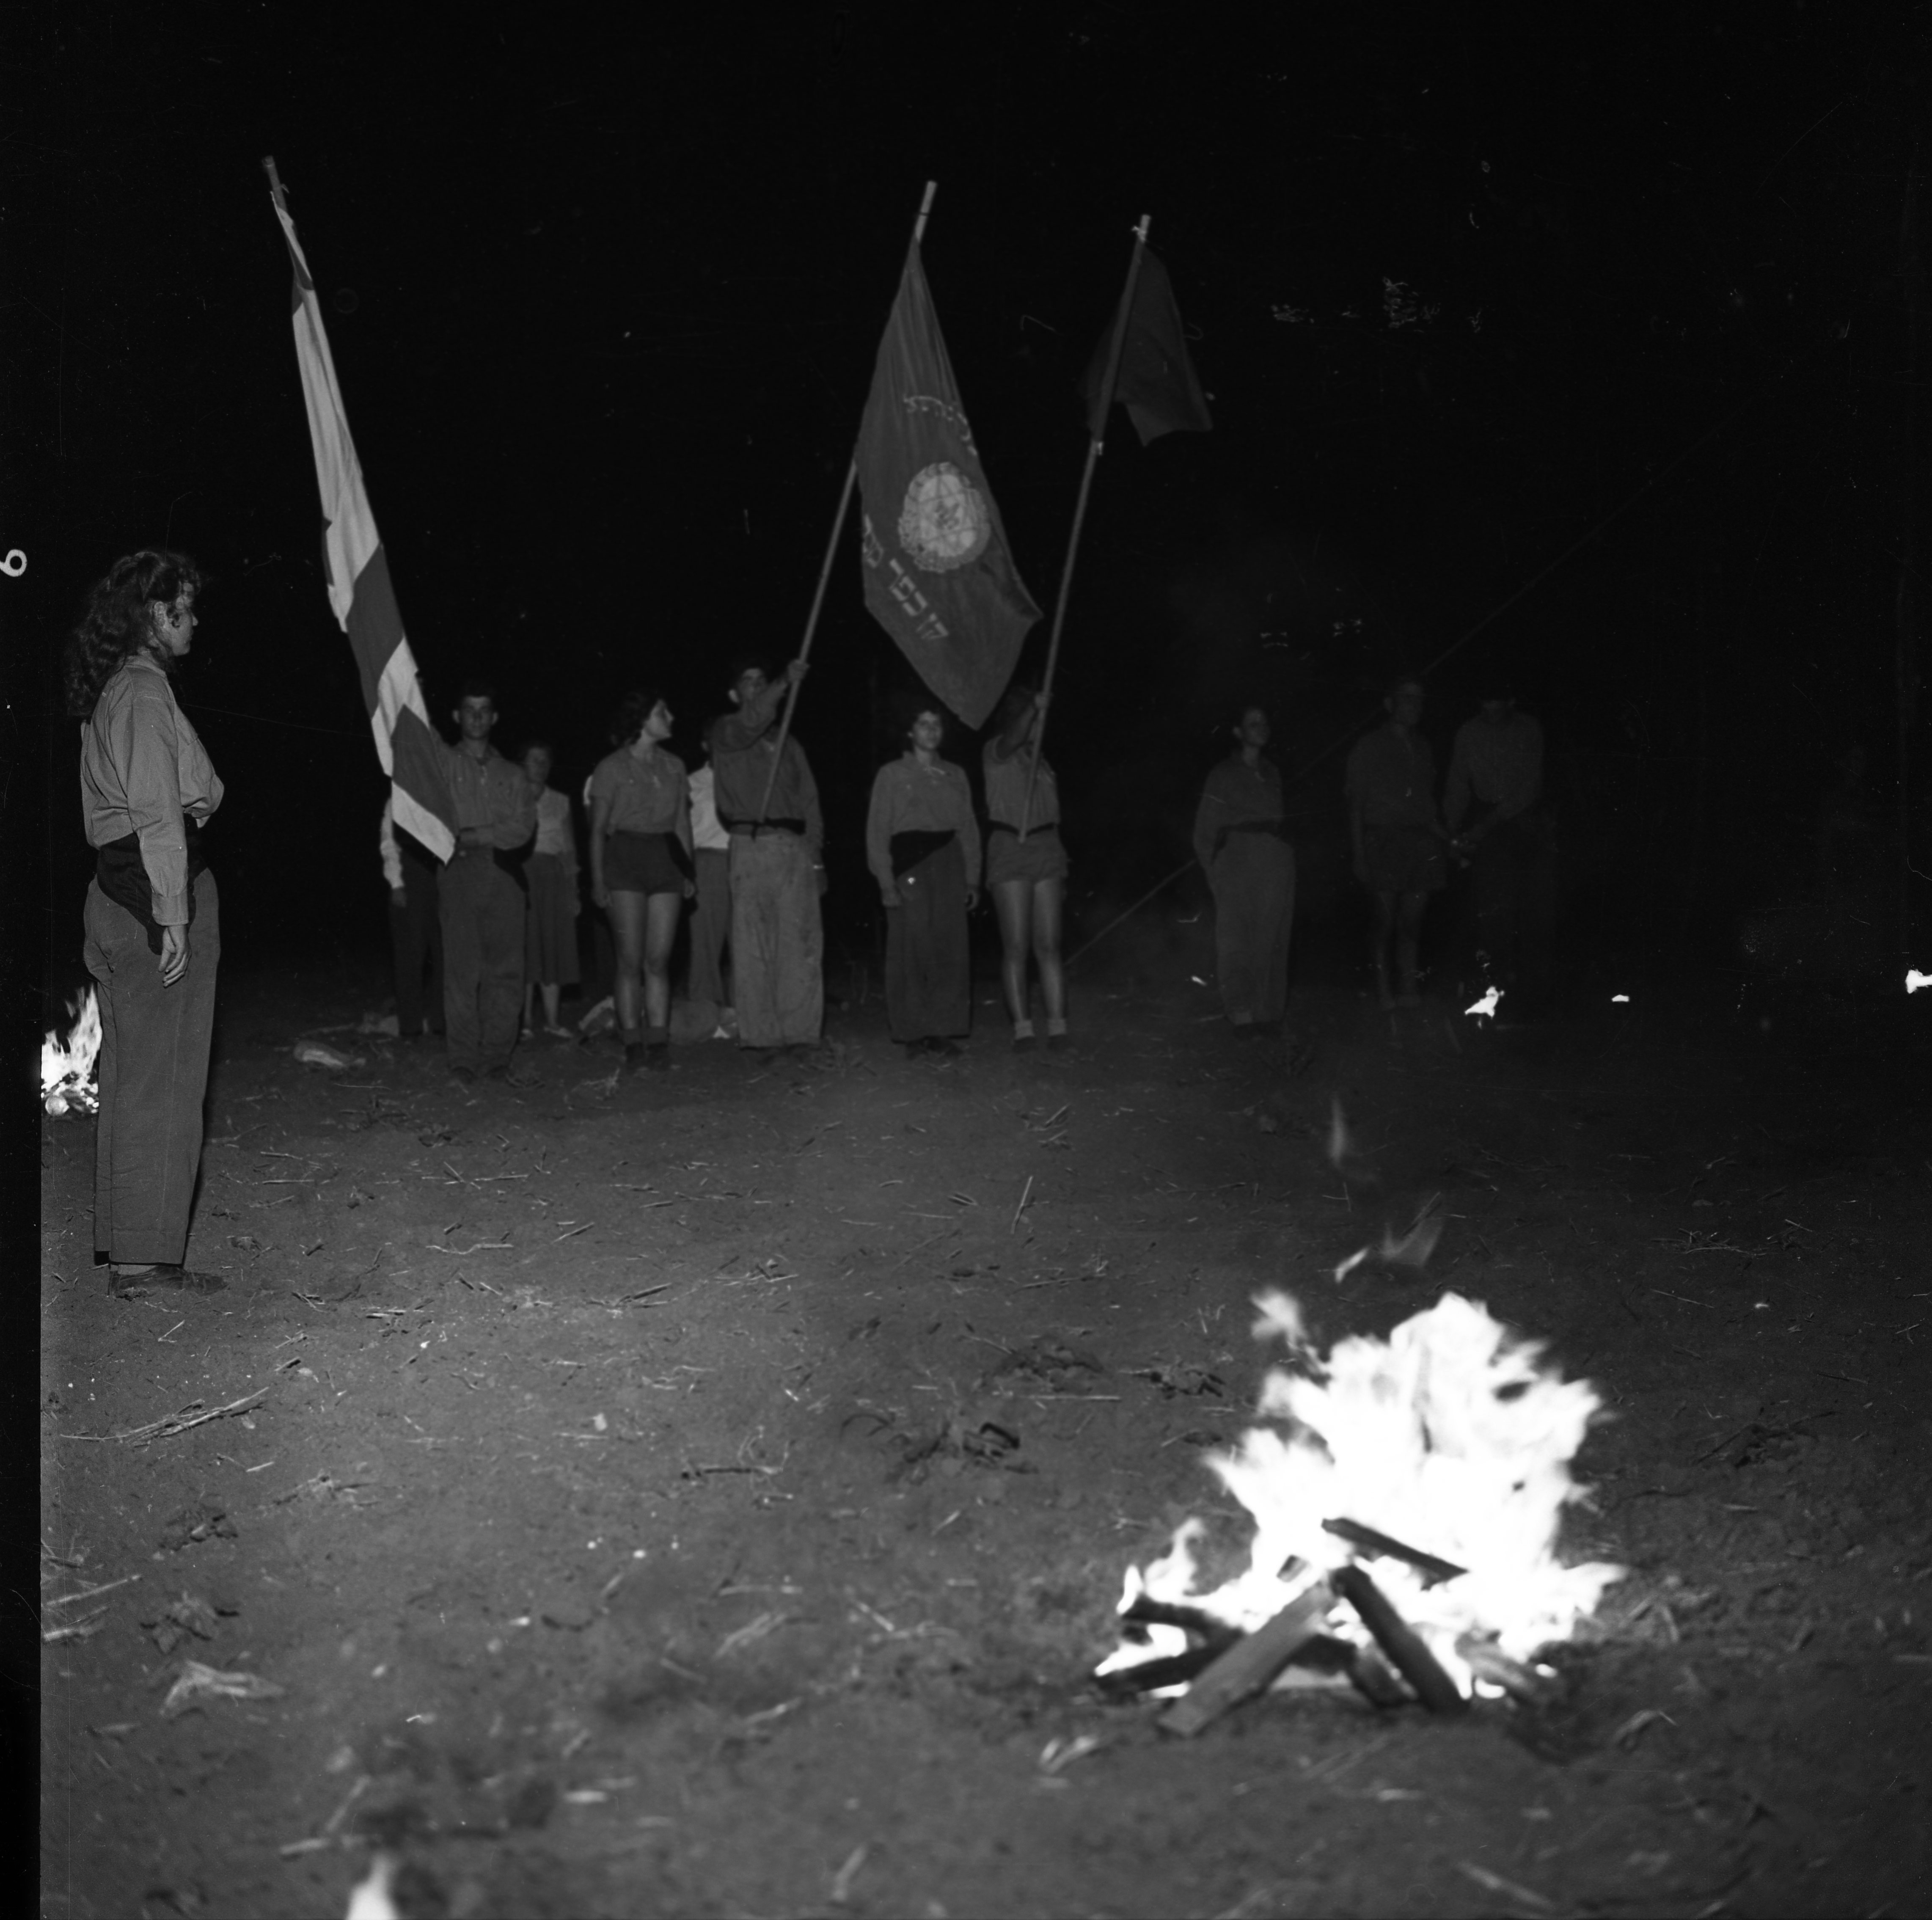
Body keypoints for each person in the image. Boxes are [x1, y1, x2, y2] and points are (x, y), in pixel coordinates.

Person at [67, 549, 225, 1295]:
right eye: (184, 609)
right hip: (149, 897)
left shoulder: (129, 689)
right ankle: (141, 1261)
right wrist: (175, 915)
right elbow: (161, 813)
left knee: (137, 1079)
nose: (193, 622)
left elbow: (184, 791)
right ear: (156, 614)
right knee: (162, 1083)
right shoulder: (139, 693)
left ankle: (133, 1248)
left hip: (119, 893)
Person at [705, 657, 825, 1055]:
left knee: (800, 943)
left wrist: (817, 856)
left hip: (793, 846)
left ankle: (801, 1033)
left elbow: (810, 800)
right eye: (750, 681)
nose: (757, 686)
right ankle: (762, 1036)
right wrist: (783, 683)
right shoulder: (726, 731)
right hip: (750, 845)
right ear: (734, 693)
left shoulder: (790, 741)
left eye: (763, 680)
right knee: (753, 944)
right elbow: (751, 722)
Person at [866, 698, 981, 1058]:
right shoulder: (892, 774)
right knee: (910, 947)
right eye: (923, 724)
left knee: (948, 947)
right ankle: (913, 1031)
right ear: (910, 731)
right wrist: (886, 880)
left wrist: (973, 878)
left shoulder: (956, 774)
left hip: (948, 862)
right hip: (909, 865)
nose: (931, 730)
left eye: (937, 725)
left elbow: (969, 829)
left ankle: (942, 1028)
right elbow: (877, 831)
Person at [437, 680, 537, 1083]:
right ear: (457, 716)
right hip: (457, 872)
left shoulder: (512, 774)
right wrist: (476, 833)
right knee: (462, 970)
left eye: (484, 709)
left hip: (504, 872)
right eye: (469, 708)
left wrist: (474, 834)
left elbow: (523, 829)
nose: (477, 716)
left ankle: (497, 1056)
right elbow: (436, 826)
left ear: (494, 717)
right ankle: (463, 1058)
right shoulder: (441, 765)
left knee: (506, 969)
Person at [588, 688, 693, 1071]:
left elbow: (682, 823)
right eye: (663, 711)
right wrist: (598, 880)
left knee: (658, 959)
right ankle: (633, 1043)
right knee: (630, 960)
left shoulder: (675, 766)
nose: (671, 717)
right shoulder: (611, 768)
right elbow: (598, 829)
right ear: (642, 720)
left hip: (665, 859)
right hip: (625, 860)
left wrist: (688, 870)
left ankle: (659, 1042)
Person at [1444, 681, 1554, 1007]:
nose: (1489, 708)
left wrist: (1482, 828)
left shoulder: (1528, 729)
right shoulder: (1469, 732)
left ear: (1511, 700)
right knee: (1492, 908)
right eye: (1484, 701)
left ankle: (1534, 991)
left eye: (1496, 701)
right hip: (1486, 822)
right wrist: (1454, 832)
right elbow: (1458, 783)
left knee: (1533, 907)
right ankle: (1495, 990)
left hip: (1524, 821)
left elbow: (1527, 790)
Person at [1345, 675, 1451, 1009]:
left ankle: (1409, 988)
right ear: (1389, 704)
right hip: (1382, 840)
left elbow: (1427, 807)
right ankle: (1383, 990)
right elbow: (1356, 805)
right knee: (1384, 921)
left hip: (1420, 844)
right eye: (1406, 699)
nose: (1414, 706)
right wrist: (1359, 854)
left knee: (1412, 922)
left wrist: (1451, 842)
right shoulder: (1369, 746)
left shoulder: (1423, 747)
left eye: (1419, 700)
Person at [1193, 703, 1295, 1035]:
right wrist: (1215, 876)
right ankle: (1240, 1009)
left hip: (1274, 861)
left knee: (1271, 935)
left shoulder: (1272, 773)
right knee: (1236, 936)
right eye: (1253, 723)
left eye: (1264, 722)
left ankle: (1267, 1012)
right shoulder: (1222, 774)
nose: (1261, 727)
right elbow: (1204, 833)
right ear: (1238, 732)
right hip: (1236, 860)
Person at [983, 683, 1069, 1051]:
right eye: (1035, 720)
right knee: (1016, 945)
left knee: (1049, 945)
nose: (1039, 727)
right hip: (1010, 849)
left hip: (1047, 848)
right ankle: (1023, 1029)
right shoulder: (997, 751)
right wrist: (1033, 707)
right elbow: (1016, 735)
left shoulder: (1046, 765)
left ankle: (1059, 1027)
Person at [518, 741, 581, 1039]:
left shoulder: (561, 801)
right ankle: (525, 1021)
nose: (540, 765)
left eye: (545, 760)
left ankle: (553, 1021)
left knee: (553, 945)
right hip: (521, 875)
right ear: (523, 764)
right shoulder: (511, 795)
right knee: (525, 945)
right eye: (534, 759)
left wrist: (574, 891)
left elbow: (569, 850)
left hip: (553, 878)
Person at [381, 797, 444, 1041]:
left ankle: (442, 1023)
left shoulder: (440, 793)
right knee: (410, 955)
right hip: (411, 877)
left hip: (442, 877)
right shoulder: (398, 799)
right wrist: (397, 883)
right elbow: (389, 842)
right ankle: (410, 1027)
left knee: (445, 954)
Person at [685, 746, 733, 1016]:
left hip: (743, 860)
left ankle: (744, 1009)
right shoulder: (693, 783)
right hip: (707, 861)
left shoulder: (744, 776)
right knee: (705, 940)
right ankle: (705, 1010)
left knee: (745, 939)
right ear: (706, 744)